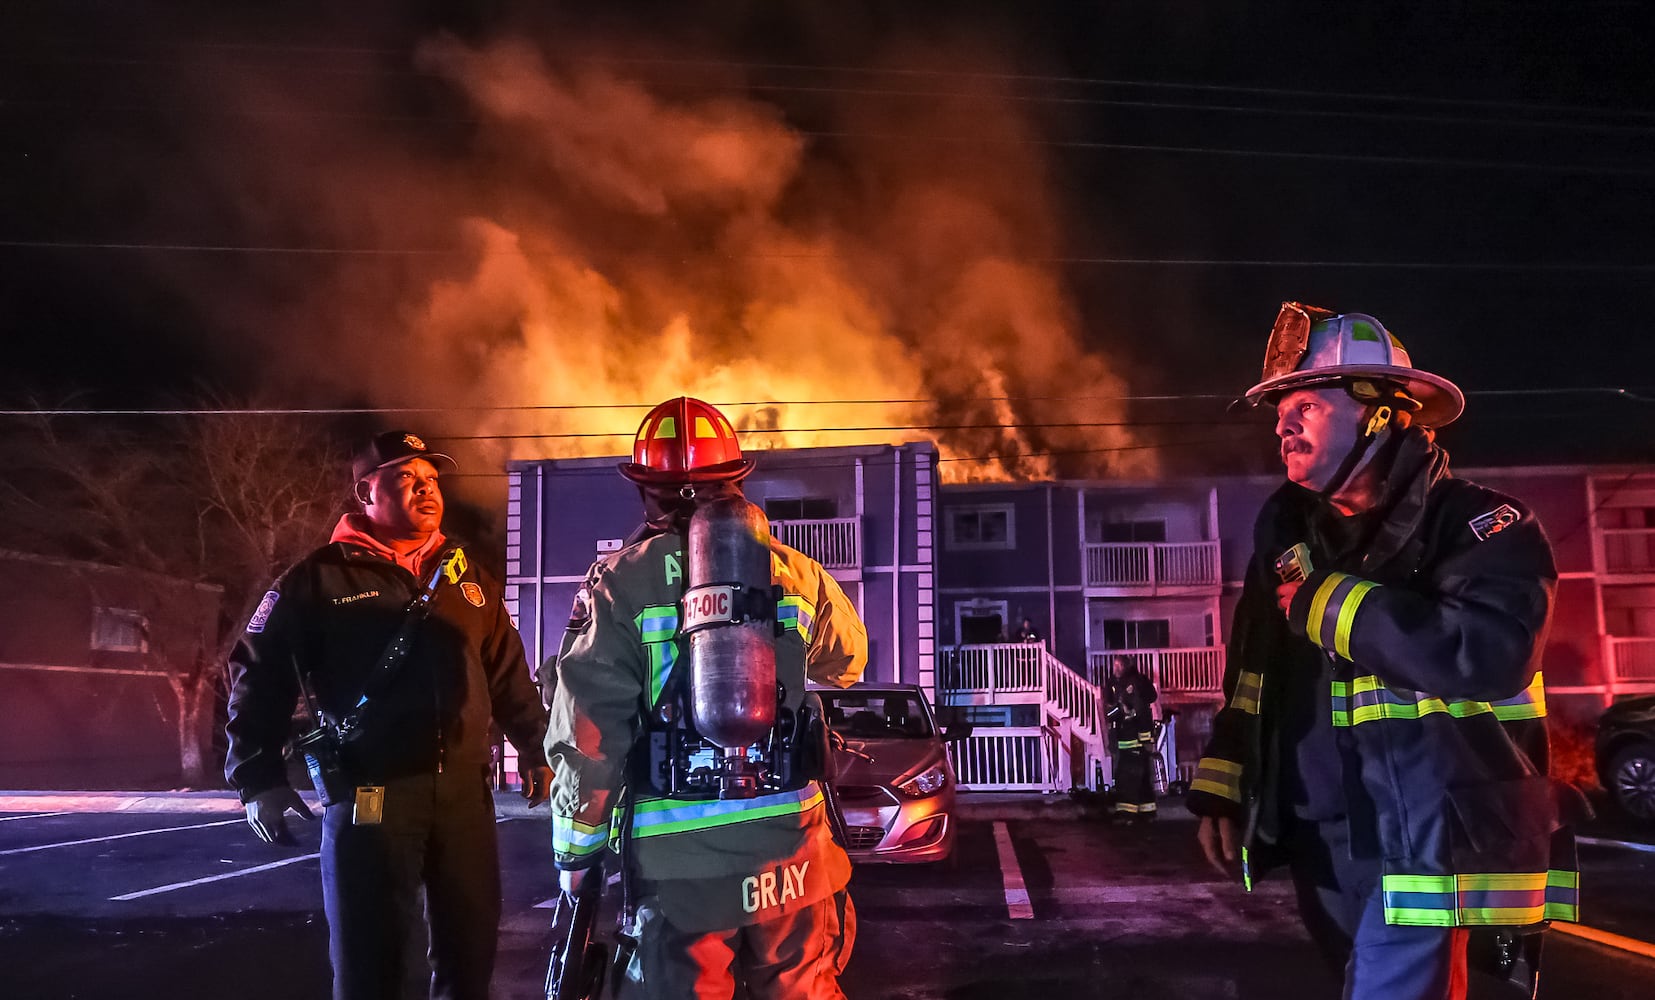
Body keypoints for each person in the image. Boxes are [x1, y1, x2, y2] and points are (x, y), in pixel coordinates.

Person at [1186, 304, 1580, 999]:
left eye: (1304, 402)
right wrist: (1225, 783)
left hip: (1431, 836)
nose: (1281, 423)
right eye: (1279, 409)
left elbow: (1484, 654)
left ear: (1381, 412)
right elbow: (1252, 671)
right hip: (1319, 836)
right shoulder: (1284, 534)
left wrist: (1328, 601)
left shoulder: (1483, 526)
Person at [545, 396, 868, 1000]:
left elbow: (588, 730)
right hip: (794, 856)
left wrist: (575, 853)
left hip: (680, 868)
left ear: (648, 492)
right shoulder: (794, 572)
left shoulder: (618, 584)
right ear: (735, 482)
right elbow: (849, 660)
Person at [225, 429, 553, 1000]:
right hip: (370, 794)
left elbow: (508, 673)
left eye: (431, 480)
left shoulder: (466, 579)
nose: (426, 490)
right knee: (373, 961)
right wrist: (257, 777)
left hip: (463, 800)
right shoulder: (318, 578)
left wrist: (535, 746)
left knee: (470, 955)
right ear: (365, 492)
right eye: (406, 478)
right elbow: (258, 673)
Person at [1106, 655, 1159, 822]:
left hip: (1131, 738)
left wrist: (1114, 712)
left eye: (1118, 665)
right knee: (1142, 776)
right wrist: (1147, 740)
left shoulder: (1130, 686)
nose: (1115, 669)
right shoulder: (1135, 682)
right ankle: (1147, 811)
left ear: (1125, 666)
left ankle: (1126, 813)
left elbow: (1129, 711)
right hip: (1136, 737)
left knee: (1127, 776)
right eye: (1114, 665)